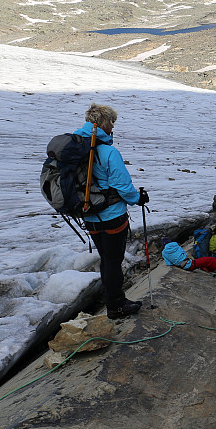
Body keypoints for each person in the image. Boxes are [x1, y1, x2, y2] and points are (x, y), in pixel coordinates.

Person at [77, 103, 148, 320]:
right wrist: (138, 199)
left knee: (106, 259)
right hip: (112, 216)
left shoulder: (77, 147)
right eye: (112, 123)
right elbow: (123, 187)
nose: (113, 127)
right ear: (105, 123)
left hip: (89, 215)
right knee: (113, 261)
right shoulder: (108, 152)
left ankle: (113, 300)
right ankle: (116, 305)